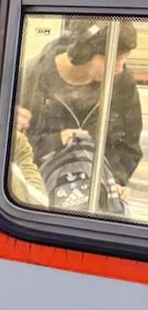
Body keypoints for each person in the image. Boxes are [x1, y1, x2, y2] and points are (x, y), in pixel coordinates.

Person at [17, 20, 143, 207]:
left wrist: (116, 179)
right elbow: (17, 147)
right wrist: (56, 140)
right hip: (43, 188)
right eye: (114, 60)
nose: (119, 69)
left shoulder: (121, 82)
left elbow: (129, 143)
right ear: (84, 53)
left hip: (97, 187)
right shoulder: (31, 78)